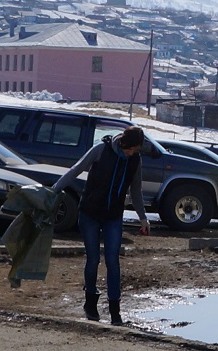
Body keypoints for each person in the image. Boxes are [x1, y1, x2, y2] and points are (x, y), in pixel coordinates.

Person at [52, 126, 150, 325]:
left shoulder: (135, 161)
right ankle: (91, 304)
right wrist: (53, 190)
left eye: (135, 150)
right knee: (93, 258)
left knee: (113, 260)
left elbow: (136, 190)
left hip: (113, 216)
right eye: (130, 149)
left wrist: (143, 217)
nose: (132, 153)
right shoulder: (101, 150)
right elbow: (76, 169)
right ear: (123, 142)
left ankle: (115, 312)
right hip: (89, 213)